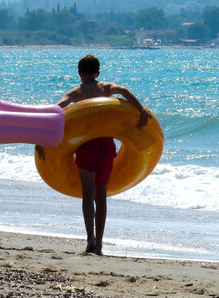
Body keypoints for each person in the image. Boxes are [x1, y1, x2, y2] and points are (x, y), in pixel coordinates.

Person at [39, 54, 150, 255]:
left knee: (87, 196)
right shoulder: (106, 88)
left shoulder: (76, 92)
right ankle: (99, 244)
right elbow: (124, 91)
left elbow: (57, 108)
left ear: (79, 73)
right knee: (101, 197)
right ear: (98, 73)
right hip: (107, 146)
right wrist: (140, 110)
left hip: (86, 147)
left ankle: (89, 239)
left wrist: (41, 132)